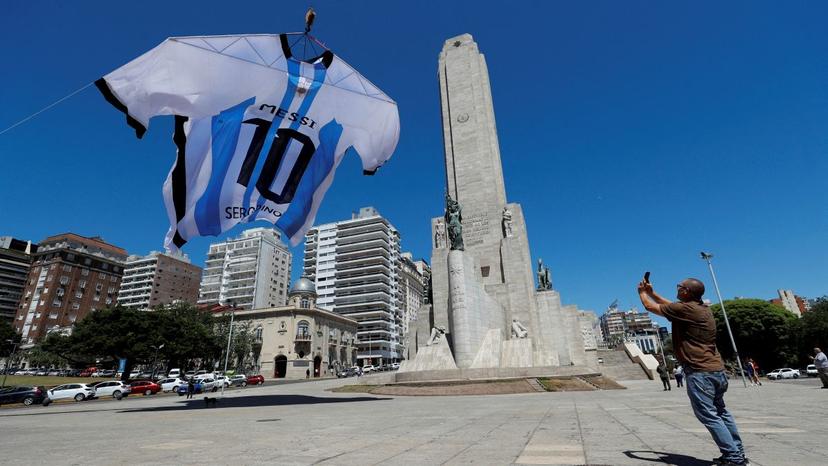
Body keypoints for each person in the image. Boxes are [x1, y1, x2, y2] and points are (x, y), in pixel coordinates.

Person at [639, 277, 749, 466]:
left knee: (709, 415)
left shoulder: (684, 310)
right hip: (716, 369)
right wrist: (652, 292)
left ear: (686, 292)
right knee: (721, 412)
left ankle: (734, 457)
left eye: (679, 286)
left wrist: (642, 292)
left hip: (700, 372)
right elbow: (671, 306)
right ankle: (737, 453)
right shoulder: (701, 309)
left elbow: (651, 307)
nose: (677, 288)